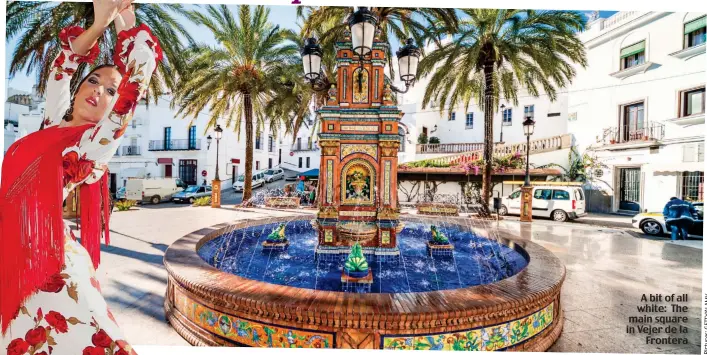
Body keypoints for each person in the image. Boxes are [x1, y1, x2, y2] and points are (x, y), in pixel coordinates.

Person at [0, 0, 162, 352]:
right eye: (93, 81)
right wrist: (99, 22)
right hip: (11, 248)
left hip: (45, 259)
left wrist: (124, 19)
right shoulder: (52, 124)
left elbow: (140, 72)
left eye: (110, 91)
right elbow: (61, 68)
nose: (99, 91)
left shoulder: (94, 143)